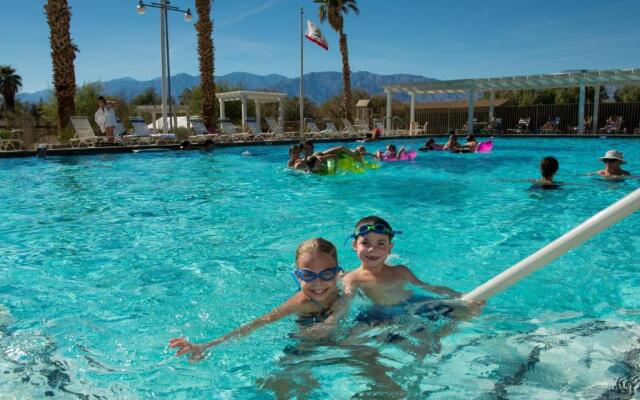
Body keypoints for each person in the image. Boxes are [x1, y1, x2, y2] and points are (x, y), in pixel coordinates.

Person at [169, 238, 345, 361]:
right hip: (305, 344)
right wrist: (207, 345)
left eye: (326, 274)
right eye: (308, 275)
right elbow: (258, 323)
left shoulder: (346, 285)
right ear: (298, 277)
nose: (318, 283)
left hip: (337, 338)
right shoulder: (301, 301)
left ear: (337, 274)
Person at [342, 216, 465, 307]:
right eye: (365, 243)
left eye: (380, 244)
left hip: (414, 303)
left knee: (465, 310)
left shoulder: (401, 271)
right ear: (355, 245)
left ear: (390, 248)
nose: (372, 249)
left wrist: (458, 295)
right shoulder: (353, 278)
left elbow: (427, 287)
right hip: (384, 315)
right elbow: (344, 303)